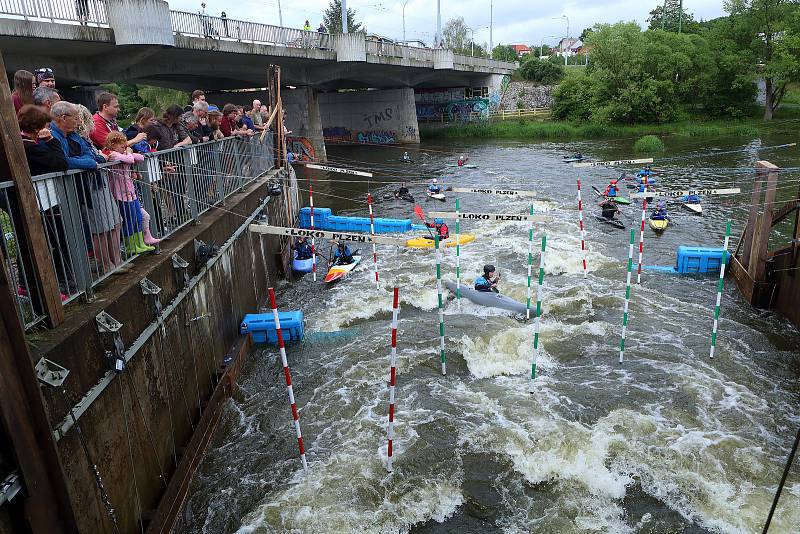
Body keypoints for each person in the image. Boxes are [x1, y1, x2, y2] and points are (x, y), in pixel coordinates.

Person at [102, 132, 154, 254]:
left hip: (131, 192)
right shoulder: (113, 154)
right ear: (113, 145)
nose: (125, 148)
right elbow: (130, 160)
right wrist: (129, 153)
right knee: (129, 220)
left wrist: (127, 153)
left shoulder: (122, 153)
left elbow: (141, 158)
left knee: (138, 217)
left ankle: (140, 242)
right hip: (120, 194)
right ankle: (130, 245)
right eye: (122, 146)